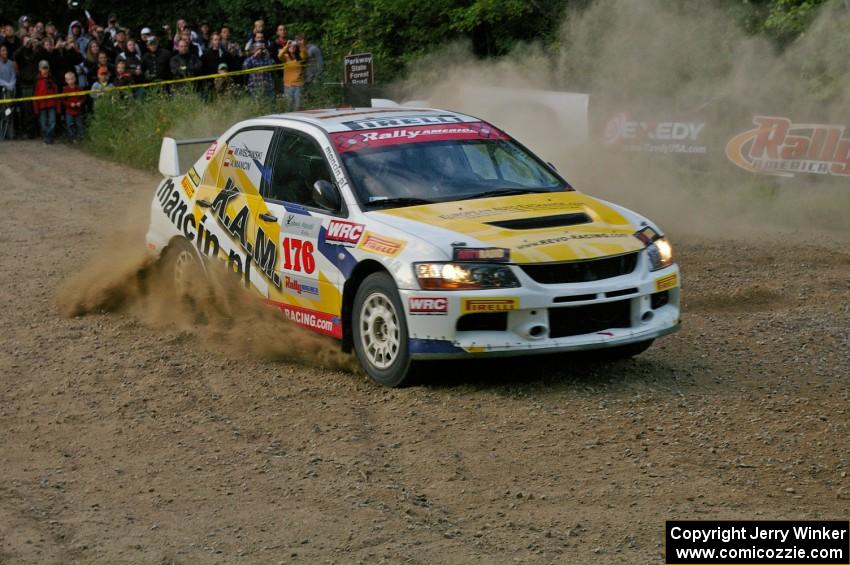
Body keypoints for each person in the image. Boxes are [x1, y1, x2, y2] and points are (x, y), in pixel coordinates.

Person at [33, 60, 59, 143]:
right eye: (43, 68)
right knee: (43, 124)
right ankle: (46, 138)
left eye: (46, 68)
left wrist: (58, 107)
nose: (45, 70)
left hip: (52, 105)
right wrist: (36, 108)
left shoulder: (52, 79)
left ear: (49, 68)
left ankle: (48, 138)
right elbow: (35, 95)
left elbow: (56, 93)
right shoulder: (36, 80)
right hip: (41, 106)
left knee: (53, 122)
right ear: (39, 69)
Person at [279, 39, 307, 111]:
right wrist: (286, 45)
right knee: (288, 105)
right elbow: (279, 55)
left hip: (299, 85)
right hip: (288, 85)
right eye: (290, 46)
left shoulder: (300, 56)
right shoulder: (285, 57)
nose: (292, 47)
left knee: (298, 106)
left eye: (294, 46)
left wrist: (300, 45)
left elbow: (305, 54)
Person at [62, 71, 85, 142]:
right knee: (70, 125)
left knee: (79, 124)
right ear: (66, 81)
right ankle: (72, 138)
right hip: (69, 111)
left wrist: (80, 103)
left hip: (78, 110)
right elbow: (63, 100)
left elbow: (83, 97)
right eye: (68, 79)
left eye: (72, 79)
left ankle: (81, 138)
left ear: (75, 79)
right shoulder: (65, 89)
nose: (71, 81)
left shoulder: (79, 88)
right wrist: (69, 104)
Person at [0, 44, 16, 139]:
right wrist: (6, 84)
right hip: (1, 92)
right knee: (2, 113)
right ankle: (1, 135)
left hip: (10, 92)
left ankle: (11, 134)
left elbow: (13, 76)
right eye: (3, 50)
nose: (5, 52)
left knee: (9, 112)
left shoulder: (11, 63)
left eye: (5, 50)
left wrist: (11, 85)